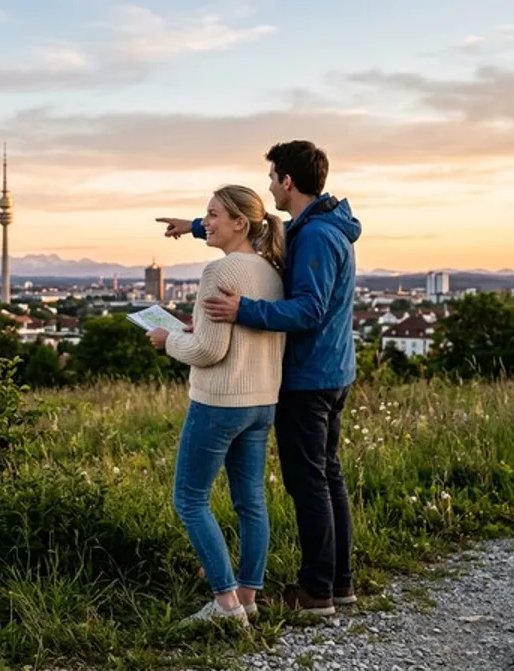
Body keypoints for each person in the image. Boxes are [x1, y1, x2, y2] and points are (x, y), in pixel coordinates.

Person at [160, 140, 362, 617]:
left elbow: (309, 310)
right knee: (325, 476)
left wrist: (241, 309)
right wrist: (195, 226)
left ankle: (317, 591)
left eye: (272, 177)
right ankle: (338, 583)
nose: (269, 185)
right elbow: (259, 227)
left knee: (308, 482)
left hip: (310, 376)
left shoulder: (314, 236)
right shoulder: (316, 228)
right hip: (328, 372)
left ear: (287, 181)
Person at [147, 184, 285, 626]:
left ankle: (226, 604)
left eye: (212, 215)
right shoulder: (272, 271)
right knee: (251, 502)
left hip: (220, 401)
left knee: (190, 500)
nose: (204, 222)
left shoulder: (219, 271)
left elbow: (209, 351)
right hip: (262, 400)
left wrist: (169, 339)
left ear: (240, 223)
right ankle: (248, 595)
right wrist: (194, 328)